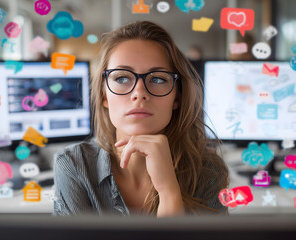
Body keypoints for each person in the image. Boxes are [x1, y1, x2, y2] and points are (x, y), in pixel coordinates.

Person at [53, 21, 229, 217]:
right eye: (121, 78)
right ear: (104, 96)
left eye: (158, 79)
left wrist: (168, 192)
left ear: (176, 98)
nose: (139, 93)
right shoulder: (73, 165)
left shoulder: (208, 171)